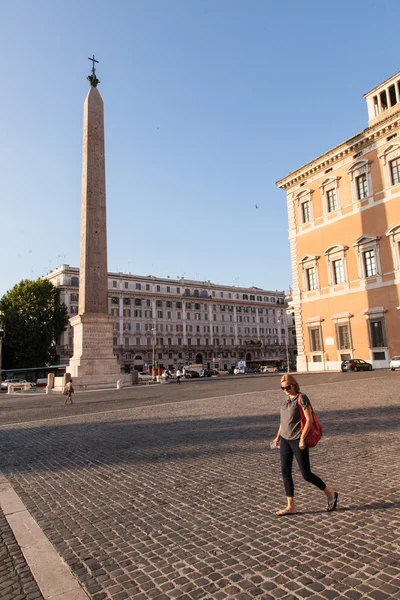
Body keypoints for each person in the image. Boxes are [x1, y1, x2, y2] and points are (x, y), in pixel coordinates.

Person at [272, 374, 338, 516]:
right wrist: (277, 437)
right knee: (285, 473)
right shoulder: (285, 401)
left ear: (294, 385)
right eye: (282, 388)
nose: (286, 390)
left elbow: (309, 420)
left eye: (288, 387)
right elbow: (283, 422)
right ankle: (291, 506)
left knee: (306, 474)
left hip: (297, 439)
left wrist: (302, 438)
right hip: (285, 440)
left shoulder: (302, 398)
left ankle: (330, 493)